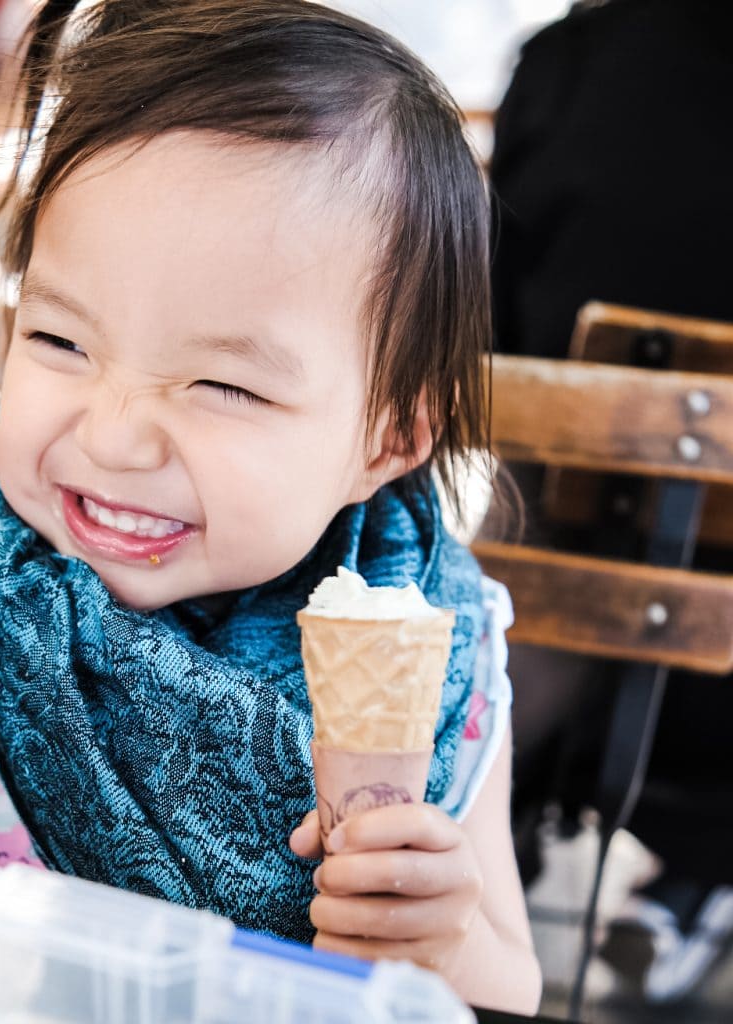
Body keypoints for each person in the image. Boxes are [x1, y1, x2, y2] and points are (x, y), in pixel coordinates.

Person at [0, 1, 541, 1013]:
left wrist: (437, 939)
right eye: (60, 342)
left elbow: (512, 982)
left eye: (227, 387)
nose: (115, 436)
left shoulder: (440, 656)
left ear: (385, 438)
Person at [489, 0, 733, 1004]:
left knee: (520, 527)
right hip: (714, 651)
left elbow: (490, 324)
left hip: (554, 586)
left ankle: (483, 829)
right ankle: (688, 877)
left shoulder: (567, 60)